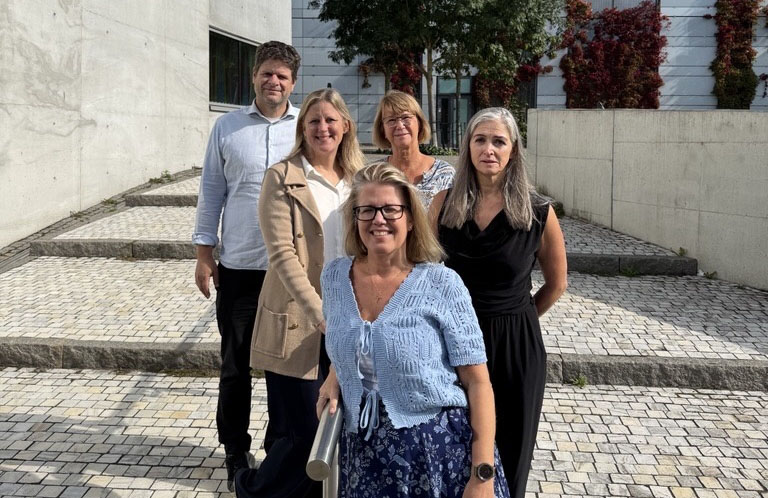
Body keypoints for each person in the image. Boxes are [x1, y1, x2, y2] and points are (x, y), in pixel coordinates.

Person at [317, 162, 511, 498]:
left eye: (391, 209)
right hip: (362, 454)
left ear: (410, 219)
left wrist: (482, 474)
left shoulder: (442, 283)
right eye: (367, 210)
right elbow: (356, 339)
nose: (378, 219)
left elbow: (478, 382)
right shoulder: (334, 277)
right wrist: (338, 373)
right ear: (355, 218)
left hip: (436, 454)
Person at [430, 107, 568, 498]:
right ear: (468, 147)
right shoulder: (443, 204)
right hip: (452, 345)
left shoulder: (539, 212)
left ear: (513, 151)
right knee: (456, 448)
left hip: (515, 347)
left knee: (511, 448)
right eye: (480, 140)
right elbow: (421, 272)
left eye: (498, 141)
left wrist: (518, 317)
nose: (488, 149)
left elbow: (556, 284)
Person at [234, 88, 364, 497]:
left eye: (330, 120)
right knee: (304, 430)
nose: (323, 128)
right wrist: (321, 314)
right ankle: (250, 488)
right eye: (314, 121)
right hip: (300, 320)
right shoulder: (282, 176)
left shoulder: (359, 179)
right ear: (302, 128)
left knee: (338, 422)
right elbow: (282, 255)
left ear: (345, 126)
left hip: (352, 316)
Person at [192, 40, 300, 491]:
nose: (274, 81)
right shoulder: (228, 127)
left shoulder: (306, 128)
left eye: (282, 76)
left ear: (293, 83)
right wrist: (204, 254)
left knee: (283, 367)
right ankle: (235, 448)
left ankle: (280, 447)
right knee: (235, 365)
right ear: (254, 76)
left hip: (291, 272)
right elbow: (211, 190)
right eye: (267, 73)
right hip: (238, 266)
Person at [372, 90, 454, 208]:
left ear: (419, 123)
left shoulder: (444, 174)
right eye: (391, 120)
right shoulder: (373, 175)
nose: (399, 125)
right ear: (382, 129)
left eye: (405, 117)